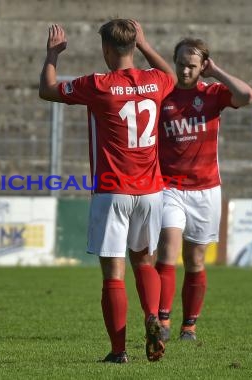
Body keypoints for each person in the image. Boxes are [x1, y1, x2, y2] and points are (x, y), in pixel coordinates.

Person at [39, 19, 176, 363]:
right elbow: (172, 78)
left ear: (106, 49)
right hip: (151, 191)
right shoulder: (155, 81)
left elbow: (48, 89)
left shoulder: (98, 84)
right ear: (133, 46)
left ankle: (118, 352)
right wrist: (146, 44)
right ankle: (155, 316)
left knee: (113, 273)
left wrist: (53, 55)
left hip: (113, 189)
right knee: (143, 260)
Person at [154, 38, 252, 341]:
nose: (185, 71)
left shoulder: (212, 95)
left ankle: (190, 325)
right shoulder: (163, 95)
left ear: (202, 67)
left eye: (192, 65)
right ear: (174, 62)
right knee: (167, 251)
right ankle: (162, 322)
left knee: (196, 260)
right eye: (181, 64)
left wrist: (218, 73)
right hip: (168, 186)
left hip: (206, 189)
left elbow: (248, 95)